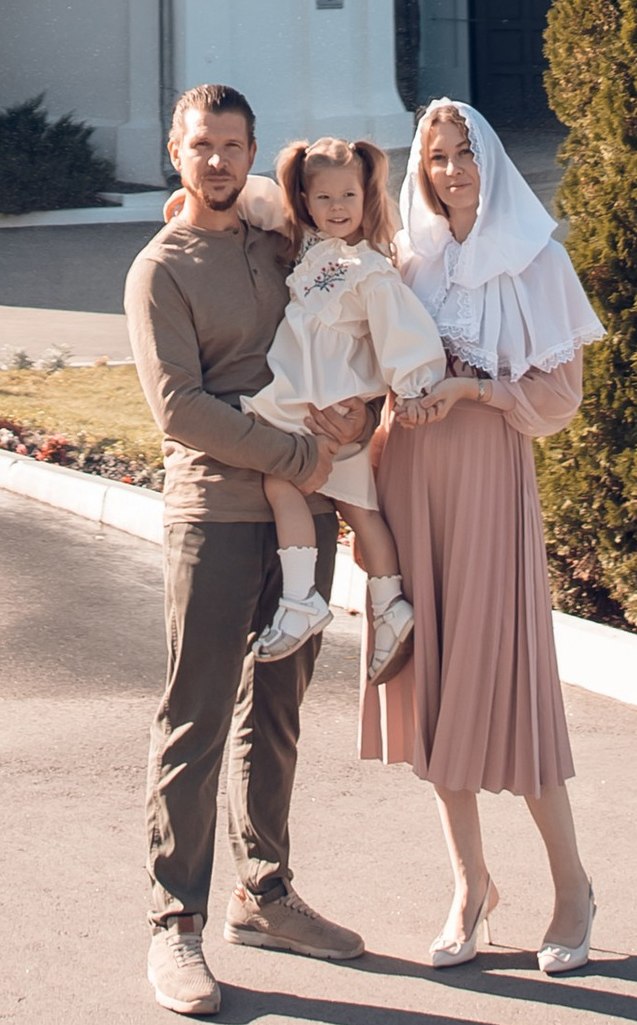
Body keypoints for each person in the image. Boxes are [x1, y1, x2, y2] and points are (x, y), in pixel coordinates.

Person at [125, 81, 373, 1019]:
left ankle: (263, 893)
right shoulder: (161, 268)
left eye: (233, 144)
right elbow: (180, 407)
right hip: (216, 514)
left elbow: (343, 332)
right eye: (202, 144)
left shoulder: (281, 243)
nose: (218, 159)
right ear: (175, 152)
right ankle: (172, 925)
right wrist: (303, 454)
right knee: (194, 713)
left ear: (254, 152)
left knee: (276, 709)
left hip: (301, 515)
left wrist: (361, 413)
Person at [359, 97, 606, 977]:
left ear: (490, 161)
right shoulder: (406, 258)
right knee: (430, 683)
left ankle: (572, 886)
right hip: (409, 478)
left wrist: (471, 392)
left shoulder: (537, 261)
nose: (452, 170)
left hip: (488, 483)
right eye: (436, 156)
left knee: (507, 687)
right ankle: (471, 886)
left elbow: (559, 396)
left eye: (465, 153)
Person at [168, 136, 446, 676]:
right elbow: (262, 199)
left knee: (283, 483)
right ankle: (390, 605)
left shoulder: (370, 269)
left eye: (349, 196)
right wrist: (189, 202)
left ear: (368, 198)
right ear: (306, 200)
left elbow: (402, 332)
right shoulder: (305, 244)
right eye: (324, 199)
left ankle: (302, 600)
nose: (338, 208)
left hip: (317, 398)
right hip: (317, 393)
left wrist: (415, 383)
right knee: (359, 507)